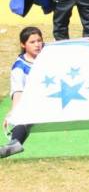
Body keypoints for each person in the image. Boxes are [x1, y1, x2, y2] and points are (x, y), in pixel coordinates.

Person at [0, 27, 44, 158]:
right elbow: (18, 92)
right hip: (38, 104)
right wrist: (14, 111)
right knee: (23, 113)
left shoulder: (49, 54)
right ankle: (15, 144)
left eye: (39, 40)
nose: (37, 45)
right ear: (23, 45)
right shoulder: (19, 67)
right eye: (32, 42)